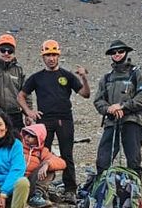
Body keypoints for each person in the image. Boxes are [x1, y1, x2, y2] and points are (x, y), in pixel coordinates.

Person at [18, 39, 90, 196]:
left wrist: (84, 78)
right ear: (43, 57)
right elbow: (21, 95)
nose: (51, 58)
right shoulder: (37, 77)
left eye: (54, 55)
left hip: (64, 119)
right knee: (42, 153)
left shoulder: (66, 75)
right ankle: (40, 188)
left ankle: (70, 189)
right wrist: (29, 112)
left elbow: (85, 94)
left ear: (58, 55)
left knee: (67, 154)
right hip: (44, 121)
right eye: (48, 55)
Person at [94, 40, 142, 178]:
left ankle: (134, 195)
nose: (117, 54)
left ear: (126, 52)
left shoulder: (137, 74)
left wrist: (122, 106)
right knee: (102, 160)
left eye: (120, 51)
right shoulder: (107, 78)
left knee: (133, 161)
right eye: (114, 52)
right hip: (112, 122)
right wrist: (109, 109)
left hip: (133, 121)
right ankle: (102, 192)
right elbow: (98, 100)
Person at [0, 34, 31, 131]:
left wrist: (27, 113)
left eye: (10, 51)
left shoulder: (19, 70)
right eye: (3, 50)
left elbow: (26, 93)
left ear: (14, 53)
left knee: (16, 143)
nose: (6, 53)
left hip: (15, 115)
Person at [19, 124, 65, 208]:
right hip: (17, 182)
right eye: (26, 134)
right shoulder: (18, 147)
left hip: (31, 183)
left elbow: (62, 163)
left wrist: (47, 164)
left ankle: (36, 196)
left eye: (31, 136)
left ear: (39, 138)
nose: (27, 137)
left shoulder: (42, 152)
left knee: (50, 169)